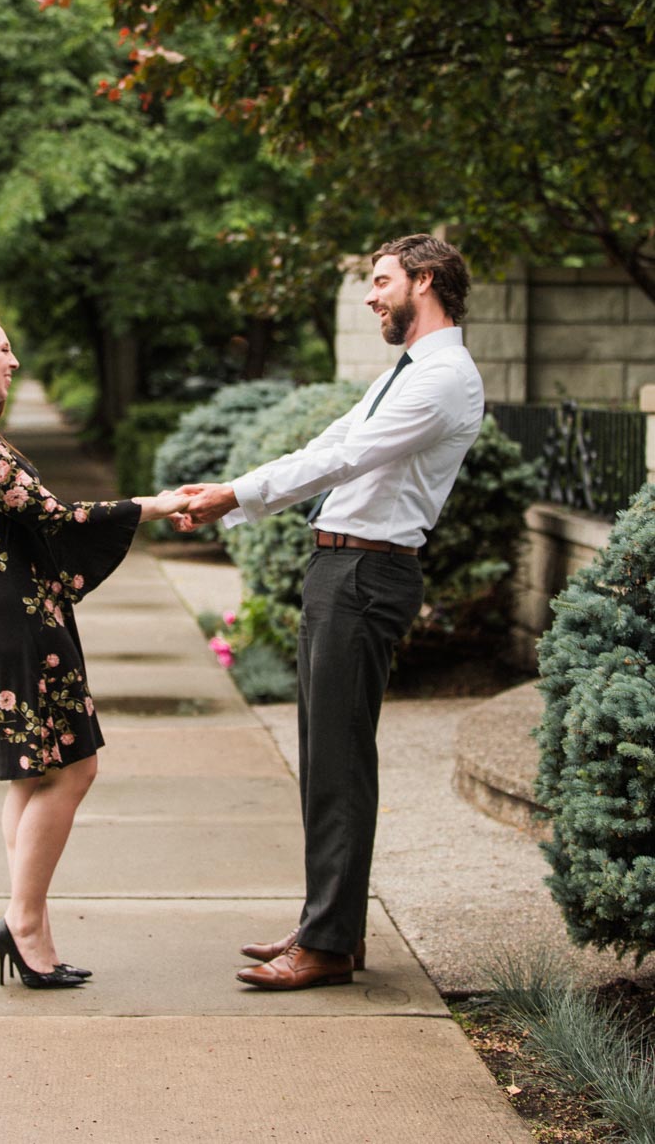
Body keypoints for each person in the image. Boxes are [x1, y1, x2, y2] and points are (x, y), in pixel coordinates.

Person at [174, 234, 484, 990]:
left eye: (381, 281)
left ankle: (330, 944)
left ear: (428, 279)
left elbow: (349, 460)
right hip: (339, 567)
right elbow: (332, 441)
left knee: (340, 762)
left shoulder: (443, 379)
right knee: (323, 758)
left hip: (367, 574)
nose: (372, 296)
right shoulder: (407, 373)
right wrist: (235, 492)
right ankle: (327, 924)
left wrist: (232, 498)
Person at [0, 313, 188, 989]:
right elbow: (56, 518)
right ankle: (24, 921)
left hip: (7, 617)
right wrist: (152, 505)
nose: (13, 361)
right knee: (73, 768)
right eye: (2, 351)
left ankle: (31, 926)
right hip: (21, 623)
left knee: (33, 774)